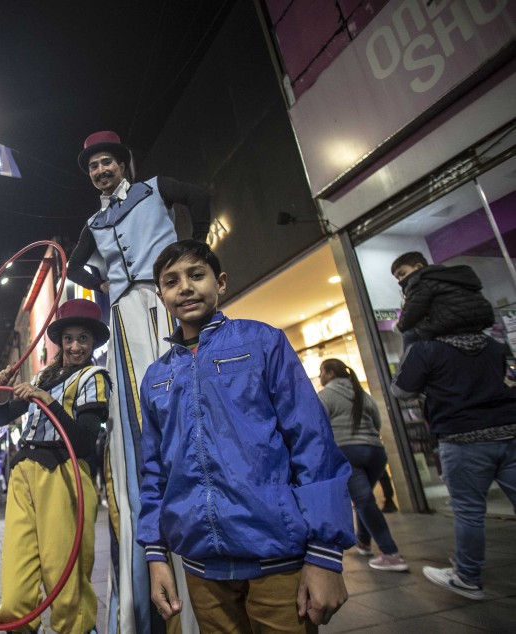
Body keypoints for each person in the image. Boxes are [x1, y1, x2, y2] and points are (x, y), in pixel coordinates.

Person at [139, 239, 354, 632]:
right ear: (161, 295)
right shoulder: (156, 376)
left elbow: (312, 443)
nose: (185, 287)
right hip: (201, 567)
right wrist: (156, 556)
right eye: (171, 281)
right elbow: (154, 472)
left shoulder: (263, 342)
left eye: (196, 275)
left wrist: (326, 553)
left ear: (220, 282)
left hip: (276, 557)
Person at [66, 130, 212, 633]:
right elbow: (73, 264)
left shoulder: (154, 188)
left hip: (163, 300)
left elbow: (200, 196)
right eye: (93, 166)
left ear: (122, 163)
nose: (101, 171)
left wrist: (195, 247)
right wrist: (101, 282)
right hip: (126, 315)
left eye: (107, 162)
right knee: (136, 416)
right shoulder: (92, 223)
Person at [0, 298, 110, 633]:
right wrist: (2, 391)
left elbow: (84, 442)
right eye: (68, 338)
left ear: (93, 342)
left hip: (63, 474)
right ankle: (19, 624)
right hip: (23, 474)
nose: (74, 346)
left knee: (65, 580)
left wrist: (50, 403)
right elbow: (0, 417)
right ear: (60, 341)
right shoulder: (43, 376)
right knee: (15, 590)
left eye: (83, 338)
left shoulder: (93, 377)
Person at [392, 327, 516, 600]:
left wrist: (411, 341)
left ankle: (468, 577)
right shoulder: (490, 343)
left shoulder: (427, 349)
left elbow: (401, 390)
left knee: (469, 511)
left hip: (462, 435)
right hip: (508, 430)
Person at [317, 359, 408, 572]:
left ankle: (390, 553)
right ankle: (364, 542)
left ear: (330, 373)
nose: (320, 376)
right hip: (375, 452)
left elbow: (319, 425)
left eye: (322, 371)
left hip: (348, 452)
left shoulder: (325, 396)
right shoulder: (362, 394)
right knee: (364, 499)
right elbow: (377, 422)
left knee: (364, 501)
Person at [391, 251, 495, 344]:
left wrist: (399, 327)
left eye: (402, 273)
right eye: (397, 278)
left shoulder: (419, 281)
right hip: (479, 320)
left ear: (418, 267)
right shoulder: (448, 276)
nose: (400, 279)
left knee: (409, 335)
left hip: (451, 323)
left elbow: (413, 310)